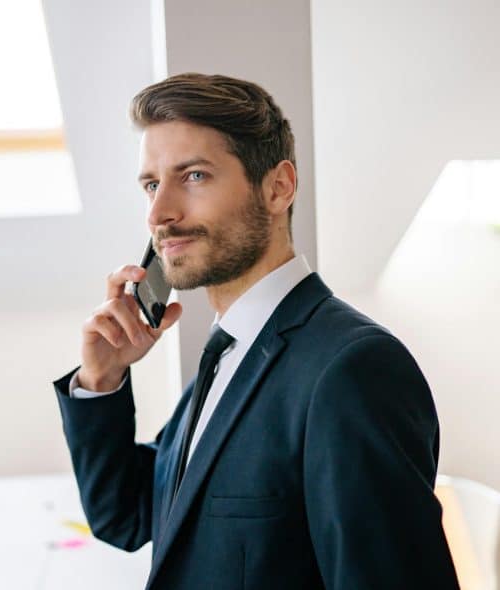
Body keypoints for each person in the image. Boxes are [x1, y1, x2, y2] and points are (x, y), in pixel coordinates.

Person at [53, 73, 460, 590]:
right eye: (152, 184)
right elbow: (129, 517)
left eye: (194, 176)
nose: (159, 214)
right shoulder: (230, 351)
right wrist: (101, 380)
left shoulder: (352, 369)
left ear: (278, 187)